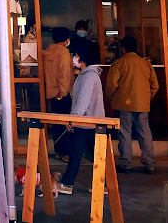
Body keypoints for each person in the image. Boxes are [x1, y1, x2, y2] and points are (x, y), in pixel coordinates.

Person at [105, 36, 159, 174]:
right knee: (145, 133)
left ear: (123, 49)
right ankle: (149, 164)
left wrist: (112, 98)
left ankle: (125, 163)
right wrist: (146, 99)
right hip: (142, 105)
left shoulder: (119, 63)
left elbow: (111, 85)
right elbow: (155, 86)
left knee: (125, 133)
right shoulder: (146, 64)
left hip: (124, 104)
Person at [56, 55, 105, 195]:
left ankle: (68, 183)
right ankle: (102, 185)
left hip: (86, 122)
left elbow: (83, 100)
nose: (74, 58)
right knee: (94, 156)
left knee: (76, 154)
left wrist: (74, 118)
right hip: (90, 122)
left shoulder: (89, 77)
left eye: (76, 56)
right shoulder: (88, 75)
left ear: (82, 59)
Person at [43, 27, 75, 159]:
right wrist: (63, 91)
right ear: (67, 39)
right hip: (62, 93)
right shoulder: (63, 52)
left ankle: (58, 151)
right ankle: (66, 153)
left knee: (57, 123)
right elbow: (64, 73)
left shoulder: (47, 51)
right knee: (66, 123)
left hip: (51, 92)